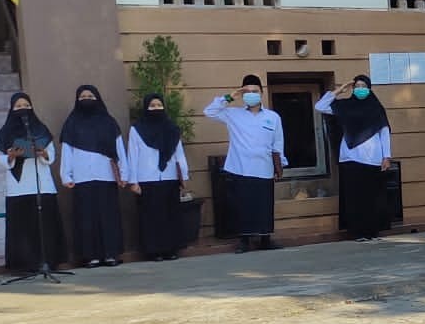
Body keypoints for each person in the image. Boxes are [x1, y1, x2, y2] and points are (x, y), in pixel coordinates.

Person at [204, 74, 286, 253]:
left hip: (264, 167)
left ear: (262, 93)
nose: (251, 94)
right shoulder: (233, 114)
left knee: (264, 206)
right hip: (240, 168)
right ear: (242, 94)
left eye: (255, 91)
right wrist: (229, 97)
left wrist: (280, 165)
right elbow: (209, 111)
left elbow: (278, 142)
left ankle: (265, 239)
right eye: (247, 91)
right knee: (242, 206)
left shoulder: (273, 117)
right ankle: (244, 241)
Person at [0, 91, 66, 272]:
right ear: (12, 109)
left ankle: (48, 261)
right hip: (19, 187)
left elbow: (51, 154)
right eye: (18, 106)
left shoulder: (41, 129)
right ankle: (24, 264)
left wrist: (44, 153)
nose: (23, 109)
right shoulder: (5, 132)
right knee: (23, 229)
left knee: (44, 226)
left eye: (26, 106)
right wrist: (11, 156)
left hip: (41, 184)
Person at [316, 75, 393, 242]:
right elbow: (320, 106)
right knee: (355, 198)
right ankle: (358, 233)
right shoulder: (345, 106)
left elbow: (384, 133)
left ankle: (372, 232)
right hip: (350, 157)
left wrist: (387, 156)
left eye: (363, 85)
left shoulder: (376, 108)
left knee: (372, 197)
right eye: (357, 86)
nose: (360, 88)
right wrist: (340, 90)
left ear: (369, 88)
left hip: (373, 158)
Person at [59, 84, 127, 268]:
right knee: (86, 218)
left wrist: (123, 173)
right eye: (82, 96)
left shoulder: (108, 122)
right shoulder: (72, 123)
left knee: (108, 217)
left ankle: (110, 254)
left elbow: (119, 148)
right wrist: (66, 175)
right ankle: (91, 257)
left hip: (106, 176)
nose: (86, 98)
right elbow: (67, 151)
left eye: (90, 95)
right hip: (82, 178)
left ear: (97, 98)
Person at [125, 93, 190, 261]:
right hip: (147, 179)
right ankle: (154, 251)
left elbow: (179, 154)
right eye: (152, 105)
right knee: (151, 217)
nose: (156, 108)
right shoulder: (137, 129)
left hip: (169, 178)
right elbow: (132, 155)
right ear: (146, 107)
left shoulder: (172, 129)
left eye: (159, 105)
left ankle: (171, 249)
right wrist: (133, 181)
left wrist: (184, 175)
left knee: (170, 215)